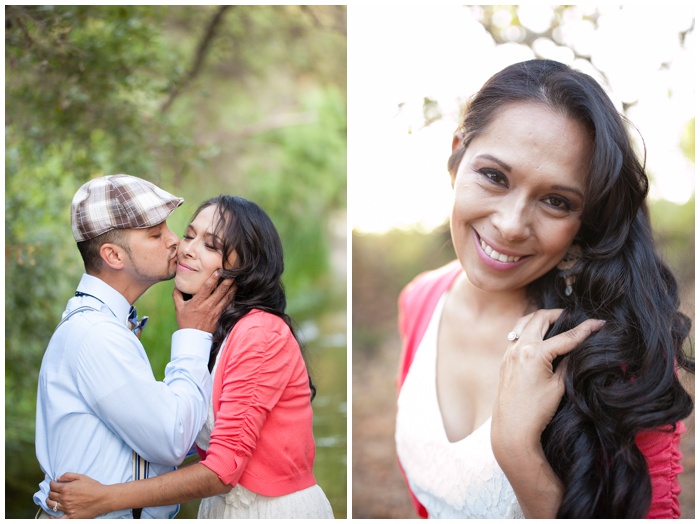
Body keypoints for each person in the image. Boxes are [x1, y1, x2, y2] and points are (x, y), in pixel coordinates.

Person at [394, 59, 694, 519]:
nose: (511, 226)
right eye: (494, 176)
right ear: (457, 157)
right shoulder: (419, 300)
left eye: (557, 201)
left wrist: (520, 454)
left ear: (584, 221)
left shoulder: (619, 350)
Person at [46, 195, 335, 519]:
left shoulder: (260, 333)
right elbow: (175, 434)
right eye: (189, 235)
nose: (186, 248)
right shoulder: (212, 333)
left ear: (244, 267)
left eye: (210, 245)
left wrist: (107, 498)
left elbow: (221, 470)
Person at [33, 174, 235, 519]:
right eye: (156, 235)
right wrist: (193, 336)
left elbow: (157, 436)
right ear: (113, 255)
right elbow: (169, 441)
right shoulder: (96, 334)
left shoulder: (104, 324)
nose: (176, 242)